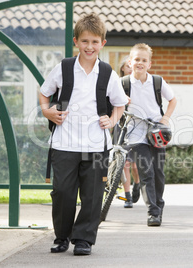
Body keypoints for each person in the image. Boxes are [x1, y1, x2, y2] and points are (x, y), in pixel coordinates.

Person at [39, 14, 128, 255]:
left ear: (103, 43)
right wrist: (48, 112)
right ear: (76, 41)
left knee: (92, 194)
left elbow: (120, 103)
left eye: (95, 42)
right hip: (63, 142)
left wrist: (112, 119)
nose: (90, 47)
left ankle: (84, 239)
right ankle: (62, 237)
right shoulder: (64, 68)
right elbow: (44, 93)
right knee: (63, 192)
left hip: (97, 143)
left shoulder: (109, 73)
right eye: (85, 41)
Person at [125, 43, 177, 226]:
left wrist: (165, 119)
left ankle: (159, 205)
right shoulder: (123, 83)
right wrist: (122, 100)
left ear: (149, 64)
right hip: (135, 133)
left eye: (144, 60)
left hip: (156, 131)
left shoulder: (157, 82)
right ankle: (152, 212)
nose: (140, 62)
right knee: (146, 171)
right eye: (137, 59)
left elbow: (172, 100)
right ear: (130, 62)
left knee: (158, 173)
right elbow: (112, 101)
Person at [118, 56, 141, 208]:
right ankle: (127, 196)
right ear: (123, 69)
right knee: (124, 163)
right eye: (128, 66)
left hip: (135, 126)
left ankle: (137, 184)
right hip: (120, 126)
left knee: (134, 164)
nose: (130, 68)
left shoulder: (139, 84)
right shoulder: (118, 84)